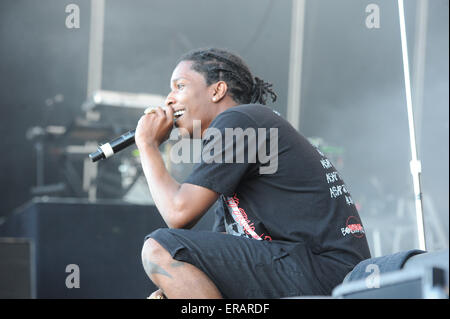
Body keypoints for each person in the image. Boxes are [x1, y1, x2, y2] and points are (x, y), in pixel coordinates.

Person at [135, 47, 371, 299]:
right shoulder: (244, 130)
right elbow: (223, 251)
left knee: (158, 249)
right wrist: (177, 286)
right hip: (316, 271)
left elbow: (178, 214)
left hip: (327, 271)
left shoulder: (239, 120)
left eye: (179, 86)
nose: (169, 99)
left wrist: (147, 145)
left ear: (217, 90)